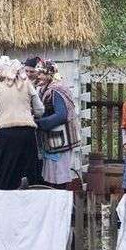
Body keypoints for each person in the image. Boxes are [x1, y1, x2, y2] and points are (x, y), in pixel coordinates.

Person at [0, 56, 43, 190]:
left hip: (6, 133)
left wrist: (1, 114)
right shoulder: (27, 84)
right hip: (27, 132)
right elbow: (40, 110)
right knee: (28, 170)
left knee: (3, 170)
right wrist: (28, 112)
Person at [34, 59, 80, 188]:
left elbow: (61, 115)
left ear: (49, 74)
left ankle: (62, 205)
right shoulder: (47, 89)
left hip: (60, 140)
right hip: (53, 141)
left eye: (41, 73)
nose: (39, 76)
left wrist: (39, 123)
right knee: (52, 177)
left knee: (58, 178)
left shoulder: (56, 90)